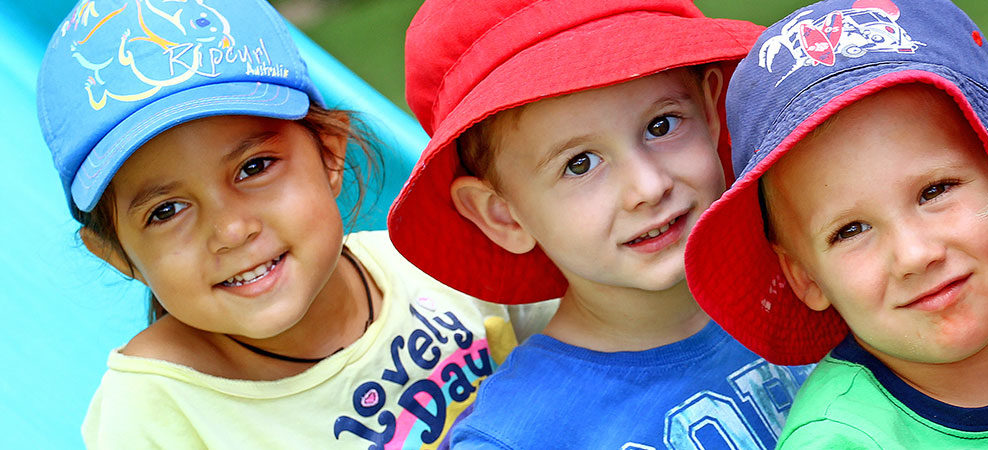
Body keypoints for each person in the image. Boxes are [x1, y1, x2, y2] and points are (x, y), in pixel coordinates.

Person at [38, 0, 552, 448]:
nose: (231, 231)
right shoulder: (153, 410)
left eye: (253, 167)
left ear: (330, 153)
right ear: (118, 254)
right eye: (166, 210)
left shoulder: (439, 259)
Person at [387, 0, 809, 448]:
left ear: (708, 108)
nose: (647, 186)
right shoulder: (519, 438)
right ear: (502, 214)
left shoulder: (819, 277)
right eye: (580, 163)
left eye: (661, 125)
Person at [683, 0, 988, 448]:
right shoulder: (843, 440)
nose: (914, 254)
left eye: (935, 191)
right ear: (805, 277)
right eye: (850, 230)